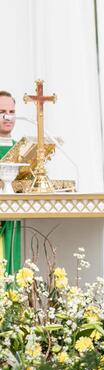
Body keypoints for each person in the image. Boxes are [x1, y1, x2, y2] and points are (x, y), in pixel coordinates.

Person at [0, 90, 22, 278]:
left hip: (13, 220)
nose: (8, 116)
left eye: (12, 111)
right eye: (2, 111)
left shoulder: (21, 149)